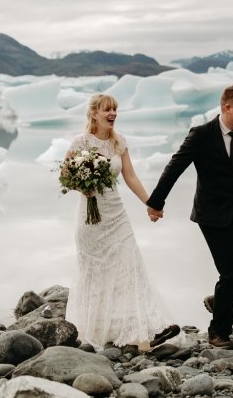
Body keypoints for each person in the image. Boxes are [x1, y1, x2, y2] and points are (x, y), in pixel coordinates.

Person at [146, 84, 233, 350]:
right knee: (231, 272)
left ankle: (218, 302)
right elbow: (175, 166)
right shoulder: (201, 135)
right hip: (212, 214)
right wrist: (156, 202)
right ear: (227, 107)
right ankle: (218, 332)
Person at [62, 93, 180, 348]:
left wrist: (151, 203)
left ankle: (147, 326)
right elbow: (65, 173)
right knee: (95, 271)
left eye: (115, 109)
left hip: (117, 214)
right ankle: (98, 329)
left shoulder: (119, 142)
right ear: (94, 114)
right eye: (107, 109)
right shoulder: (80, 141)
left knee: (130, 265)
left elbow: (130, 177)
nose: (112, 113)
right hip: (89, 219)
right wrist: (82, 186)